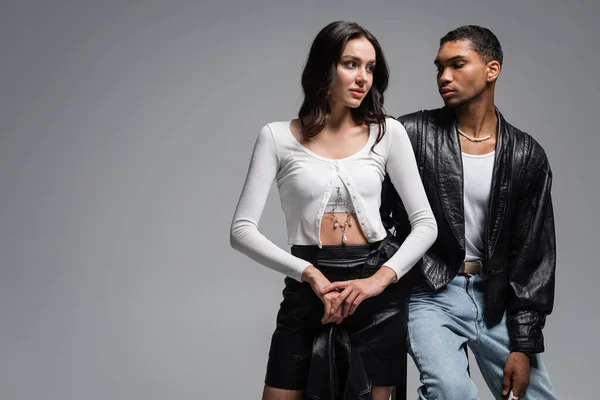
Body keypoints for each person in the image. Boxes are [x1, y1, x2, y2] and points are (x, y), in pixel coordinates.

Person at [230, 21, 437, 400]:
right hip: (307, 288)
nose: (363, 78)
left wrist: (377, 281)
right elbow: (241, 231)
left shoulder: (388, 133)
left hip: (375, 295)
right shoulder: (276, 137)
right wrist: (307, 273)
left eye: (370, 68)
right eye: (351, 64)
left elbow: (426, 224)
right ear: (325, 67)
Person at [381, 25, 558, 399]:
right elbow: (375, 213)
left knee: (534, 397)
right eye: (439, 68)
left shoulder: (526, 155)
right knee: (452, 391)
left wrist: (523, 344)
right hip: (430, 291)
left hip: (495, 298)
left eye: (457, 64)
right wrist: (400, 271)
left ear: (492, 69)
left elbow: (532, 257)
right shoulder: (410, 134)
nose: (444, 77)